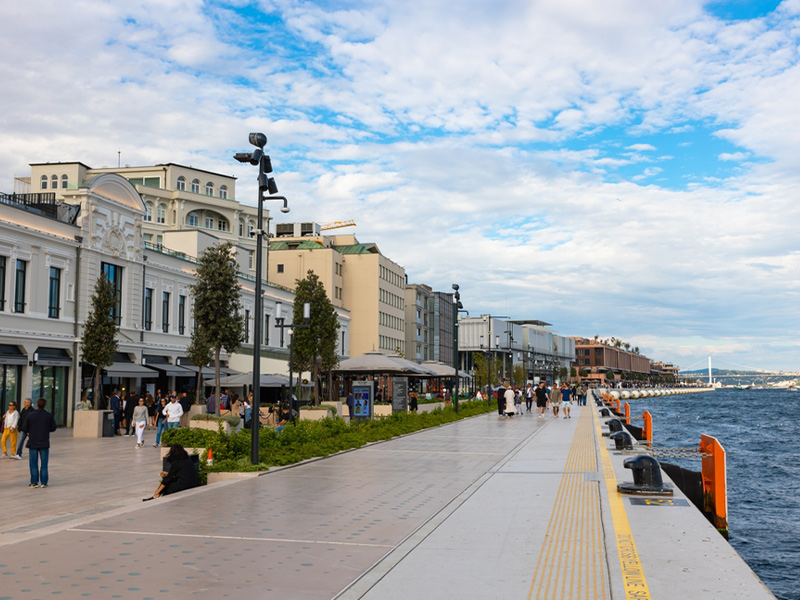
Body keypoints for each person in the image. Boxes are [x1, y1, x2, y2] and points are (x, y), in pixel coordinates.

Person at [20, 397, 57, 488]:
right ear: (44, 405)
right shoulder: (48, 415)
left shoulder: (31, 415)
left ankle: (34, 482)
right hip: (44, 441)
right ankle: (44, 482)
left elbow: (24, 428)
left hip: (33, 441)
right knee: (44, 463)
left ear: (36, 405)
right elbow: (53, 427)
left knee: (33, 463)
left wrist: (29, 431)